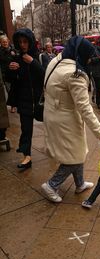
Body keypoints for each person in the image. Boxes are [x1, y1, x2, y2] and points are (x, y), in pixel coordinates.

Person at [41, 36, 100, 203]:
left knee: (77, 151)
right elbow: (85, 108)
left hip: (54, 113)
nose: (88, 60)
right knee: (74, 155)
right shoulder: (74, 74)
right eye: (87, 56)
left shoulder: (57, 61)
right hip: (65, 120)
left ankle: (79, 184)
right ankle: (51, 185)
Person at [7, 28, 44, 169]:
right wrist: (11, 70)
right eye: (20, 42)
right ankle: (26, 157)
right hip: (24, 101)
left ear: (30, 42)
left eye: (25, 42)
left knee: (50, 128)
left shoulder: (38, 56)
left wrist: (32, 62)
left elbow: (45, 75)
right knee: (26, 129)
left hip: (39, 101)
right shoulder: (16, 58)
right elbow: (11, 80)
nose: (22, 45)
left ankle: (54, 150)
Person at [0, 35, 17, 113]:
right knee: (9, 90)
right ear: (1, 42)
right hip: (5, 74)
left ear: (8, 42)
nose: (5, 43)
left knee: (15, 89)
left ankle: (16, 104)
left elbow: (18, 59)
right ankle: (13, 106)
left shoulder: (13, 50)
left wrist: (15, 54)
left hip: (14, 73)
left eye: (6, 41)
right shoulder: (0, 51)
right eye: (3, 42)